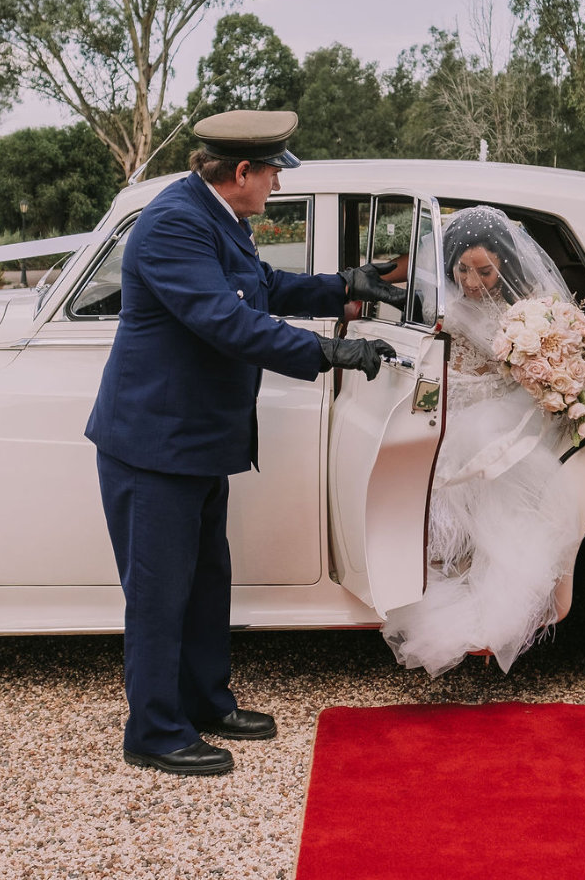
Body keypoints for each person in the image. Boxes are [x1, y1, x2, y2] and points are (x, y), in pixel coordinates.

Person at [85, 110, 402, 778]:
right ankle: (153, 729)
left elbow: (261, 286)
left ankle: (203, 702)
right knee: (159, 590)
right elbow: (227, 320)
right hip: (154, 442)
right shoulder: (174, 223)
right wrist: (331, 352)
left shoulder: (215, 217)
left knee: (205, 582)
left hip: (193, 438)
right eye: (273, 172)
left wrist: (345, 288)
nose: (278, 184)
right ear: (241, 173)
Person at [380, 206, 583, 677]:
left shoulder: (529, 307)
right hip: (451, 401)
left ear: (505, 265)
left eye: (484, 271)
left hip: (504, 406)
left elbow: (538, 359)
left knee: (489, 450)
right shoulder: (443, 302)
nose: (472, 282)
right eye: (462, 269)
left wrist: (543, 371)